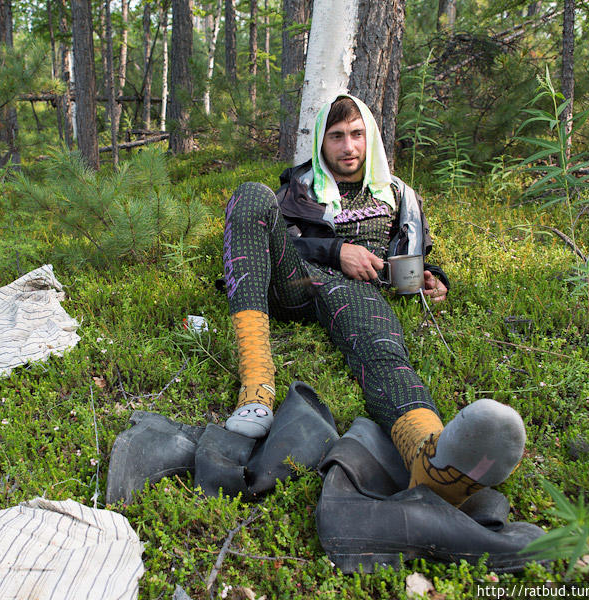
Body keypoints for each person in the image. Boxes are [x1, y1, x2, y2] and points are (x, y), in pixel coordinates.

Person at [221, 94, 525, 507]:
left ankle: (428, 455)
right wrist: (335, 251)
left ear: (372, 137)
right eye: (337, 136)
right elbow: (272, 243)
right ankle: (256, 387)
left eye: (357, 134)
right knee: (250, 194)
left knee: (380, 347)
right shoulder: (297, 187)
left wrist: (434, 280)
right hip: (296, 283)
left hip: (358, 292)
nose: (349, 147)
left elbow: (411, 258)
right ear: (320, 142)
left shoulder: (397, 193)